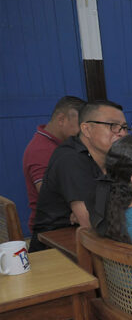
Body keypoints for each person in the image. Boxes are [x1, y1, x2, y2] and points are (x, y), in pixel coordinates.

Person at [31, 100, 129, 252]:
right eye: (113, 126)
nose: (122, 132)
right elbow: (90, 224)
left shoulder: (111, 156)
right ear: (87, 129)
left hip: (90, 240)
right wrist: (99, 214)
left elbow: (128, 201)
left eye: (124, 127)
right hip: (55, 249)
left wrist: (101, 213)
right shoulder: (71, 159)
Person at [22, 96, 86, 232]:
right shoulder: (41, 150)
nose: (82, 132)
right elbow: (49, 195)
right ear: (61, 119)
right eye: (79, 125)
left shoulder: (64, 145)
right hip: (52, 227)